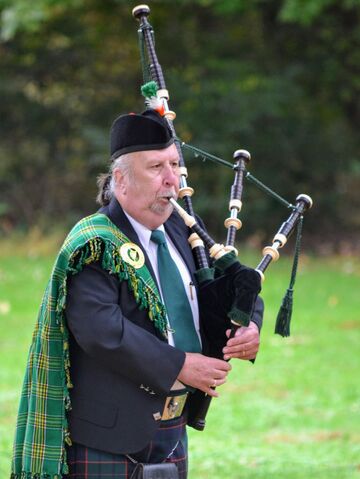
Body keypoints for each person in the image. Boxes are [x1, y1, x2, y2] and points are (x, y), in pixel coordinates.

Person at [11, 109, 263, 479]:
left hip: (172, 429)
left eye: (175, 164)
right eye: (156, 167)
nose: (171, 179)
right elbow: (101, 330)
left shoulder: (182, 230)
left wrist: (249, 326)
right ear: (121, 179)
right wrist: (180, 365)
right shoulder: (95, 243)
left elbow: (233, 283)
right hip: (107, 437)